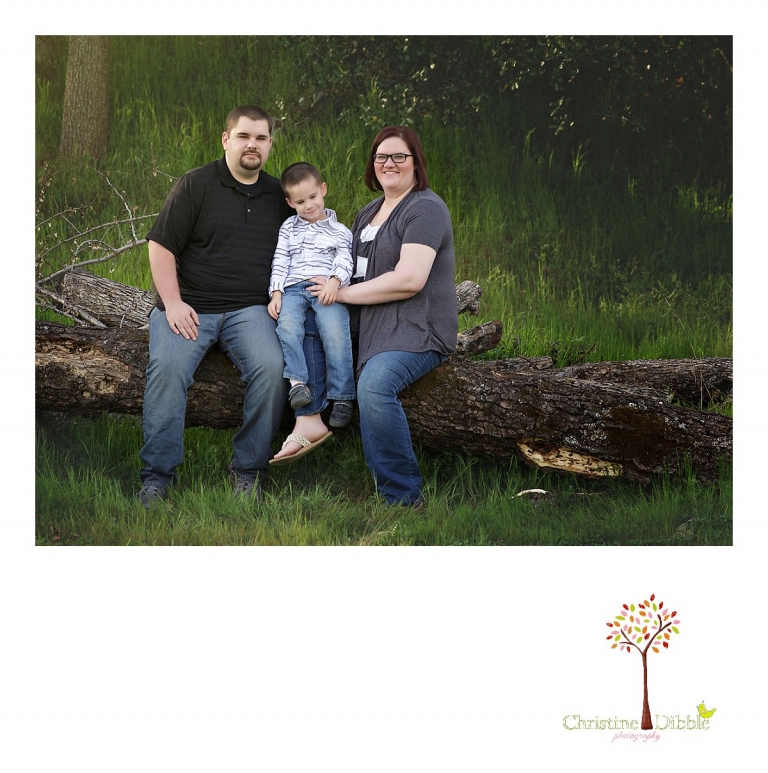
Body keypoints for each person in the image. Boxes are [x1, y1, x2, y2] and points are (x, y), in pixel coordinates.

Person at [138, 104, 319, 506]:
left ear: (270, 144)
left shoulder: (278, 195)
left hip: (249, 310)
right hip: (190, 307)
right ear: (226, 139)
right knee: (167, 370)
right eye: (243, 136)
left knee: (273, 370)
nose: (251, 145)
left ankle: (248, 472)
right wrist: (172, 303)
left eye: (260, 138)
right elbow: (160, 246)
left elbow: (311, 237)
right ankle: (156, 479)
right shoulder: (196, 184)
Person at [307, 126, 458, 506]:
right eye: (381, 157)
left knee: (374, 386)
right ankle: (301, 457)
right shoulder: (368, 213)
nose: (388, 164)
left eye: (398, 157)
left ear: (415, 162)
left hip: (416, 328)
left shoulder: (425, 208)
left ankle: (402, 498)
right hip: (370, 327)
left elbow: (409, 280)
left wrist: (340, 293)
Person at [267, 162, 355, 464]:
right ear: (290, 202)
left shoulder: (340, 231)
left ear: (323, 190)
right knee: (287, 326)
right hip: (292, 288)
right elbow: (280, 259)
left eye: (313, 198)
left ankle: (342, 396)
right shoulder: (288, 228)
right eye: (300, 202)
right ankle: (298, 385)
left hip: (325, 289)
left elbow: (345, 260)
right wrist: (276, 290)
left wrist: (335, 282)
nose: (308, 206)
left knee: (334, 332)